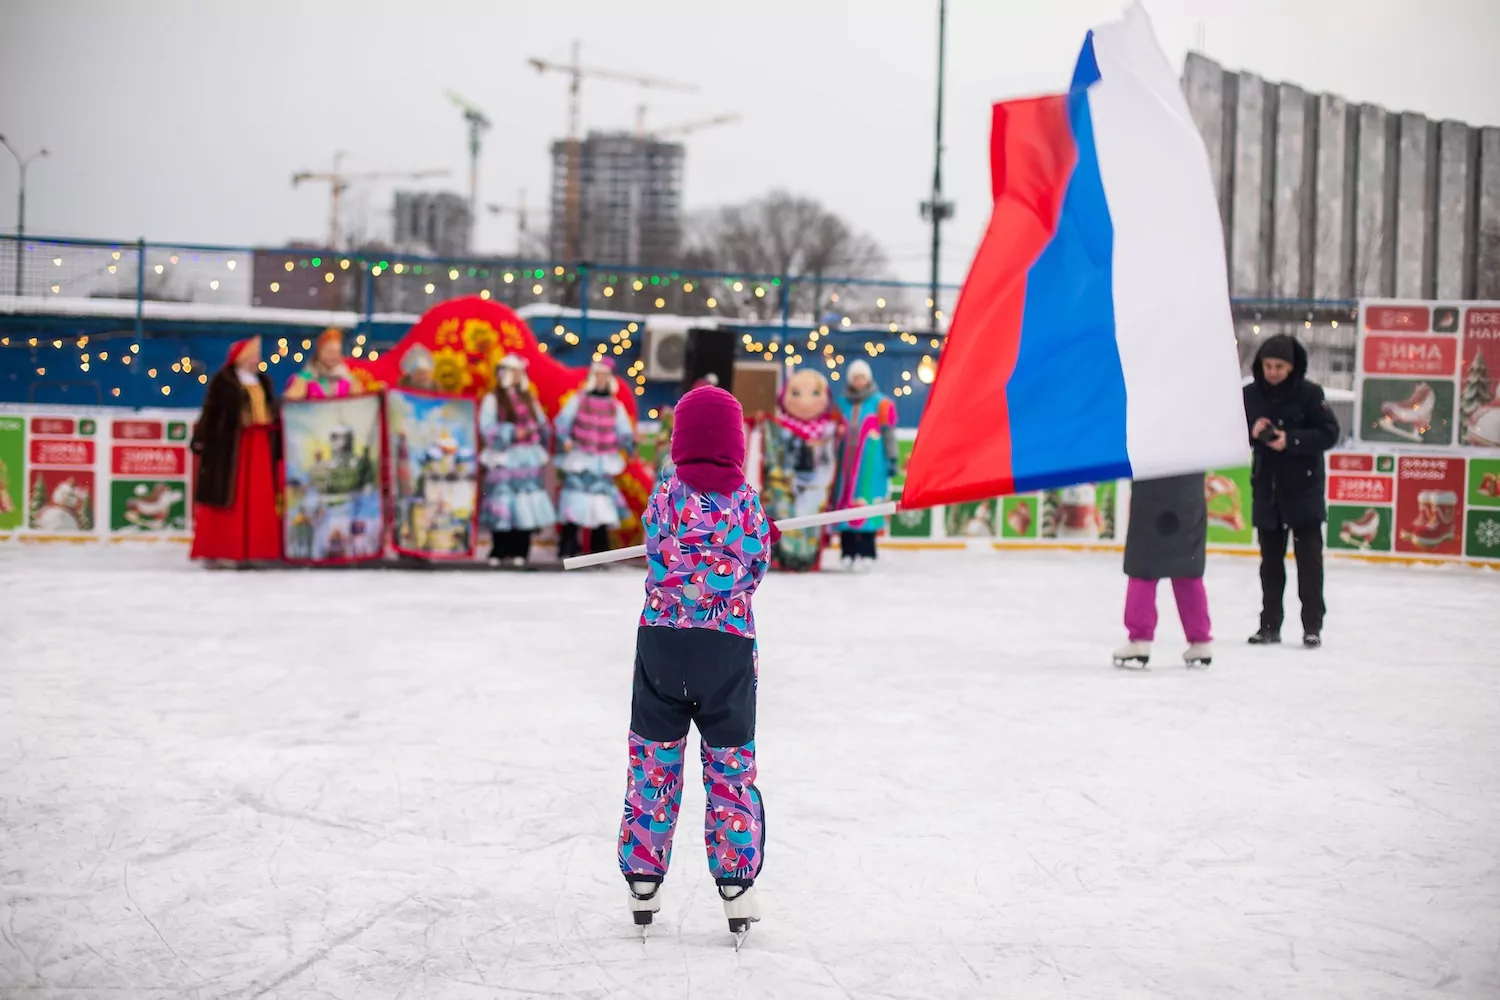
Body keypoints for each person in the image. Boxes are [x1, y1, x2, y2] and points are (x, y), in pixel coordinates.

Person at [617, 384, 778, 944]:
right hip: (725, 650)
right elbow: (753, 570)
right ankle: (737, 886)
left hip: (662, 646)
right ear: (735, 443)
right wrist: (760, 541)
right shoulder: (747, 500)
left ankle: (642, 877)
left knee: (653, 761)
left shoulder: (665, 494)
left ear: (680, 442)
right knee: (730, 765)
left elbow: (657, 549)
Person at [1242, 334, 1340, 647]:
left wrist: (1291, 440)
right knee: (1270, 564)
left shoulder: (1311, 394)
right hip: (1268, 491)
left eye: (1280, 366)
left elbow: (1329, 433)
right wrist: (1253, 431)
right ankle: (1269, 625)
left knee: (1309, 563)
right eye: (1268, 366)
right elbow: (1232, 432)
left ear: (1292, 366)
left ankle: (1312, 626)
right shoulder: (1249, 395)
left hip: (1304, 490)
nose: (1273, 372)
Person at [190, 338, 281, 566]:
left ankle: (255, 550)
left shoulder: (263, 381)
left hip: (259, 444)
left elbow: (272, 410)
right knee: (229, 497)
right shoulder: (224, 381)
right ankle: (224, 548)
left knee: (257, 498)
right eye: (252, 355)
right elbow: (211, 411)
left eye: (257, 355)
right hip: (232, 446)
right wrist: (201, 437)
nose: (256, 360)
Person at [1112, 473, 1212, 668]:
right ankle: (1200, 641)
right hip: (1188, 490)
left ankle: (1140, 639)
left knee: (1144, 564)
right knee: (1188, 567)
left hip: (1153, 486)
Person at [759, 368, 841, 571]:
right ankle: (783, 555)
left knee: (809, 520)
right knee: (785, 517)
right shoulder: (779, 426)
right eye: (796, 394)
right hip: (787, 486)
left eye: (815, 394)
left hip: (815, 486)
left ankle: (806, 557)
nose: (805, 401)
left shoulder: (829, 429)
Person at [479, 355, 556, 566]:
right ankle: (499, 549)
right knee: (502, 502)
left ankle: (521, 550)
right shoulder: (493, 399)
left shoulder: (529, 398)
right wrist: (513, 432)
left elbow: (542, 423)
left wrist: (536, 432)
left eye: (518, 372)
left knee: (525, 503)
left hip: (526, 457)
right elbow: (487, 428)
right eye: (510, 371)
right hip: (504, 456)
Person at [554, 359, 634, 559]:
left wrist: (629, 442)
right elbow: (562, 422)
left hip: (604, 460)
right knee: (574, 504)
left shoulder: (615, 406)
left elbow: (624, 431)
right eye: (597, 375)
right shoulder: (579, 400)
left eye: (604, 375)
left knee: (601, 506)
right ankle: (568, 547)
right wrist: (565, 439)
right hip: (581, 457)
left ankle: (599, 551)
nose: (600, 379)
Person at [833, 359, 899, 570]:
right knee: (845, 508)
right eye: (855, 378)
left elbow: (889, 434)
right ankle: (848, 551)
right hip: (845, 468)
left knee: (868, 508)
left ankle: (868, 552)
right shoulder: (841, 404)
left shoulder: (881, 403)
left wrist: (892, 458)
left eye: (862, 377)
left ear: (868, 379)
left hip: (871, 466)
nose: (859, 381)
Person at [283, 328, 363, 400]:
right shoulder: (304, 379)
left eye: (337, 352)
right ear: (319, 352)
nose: (334, 356)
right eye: (330, 351)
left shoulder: (349, 380)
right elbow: (290, 405)